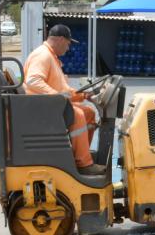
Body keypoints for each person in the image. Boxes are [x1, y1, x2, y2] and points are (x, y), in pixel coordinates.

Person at [23, 24, 102, 175]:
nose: (69, 46)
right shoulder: (43, 55)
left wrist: (85, 96)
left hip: (49, 104)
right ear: (60, 39)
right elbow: (33, 81)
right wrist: (57, 97)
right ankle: (83, 164)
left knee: (89, 113)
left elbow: (63, 90)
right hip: (41, 108)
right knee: (77, 115)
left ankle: (79, 154)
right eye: (68, 42)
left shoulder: (52, 57)